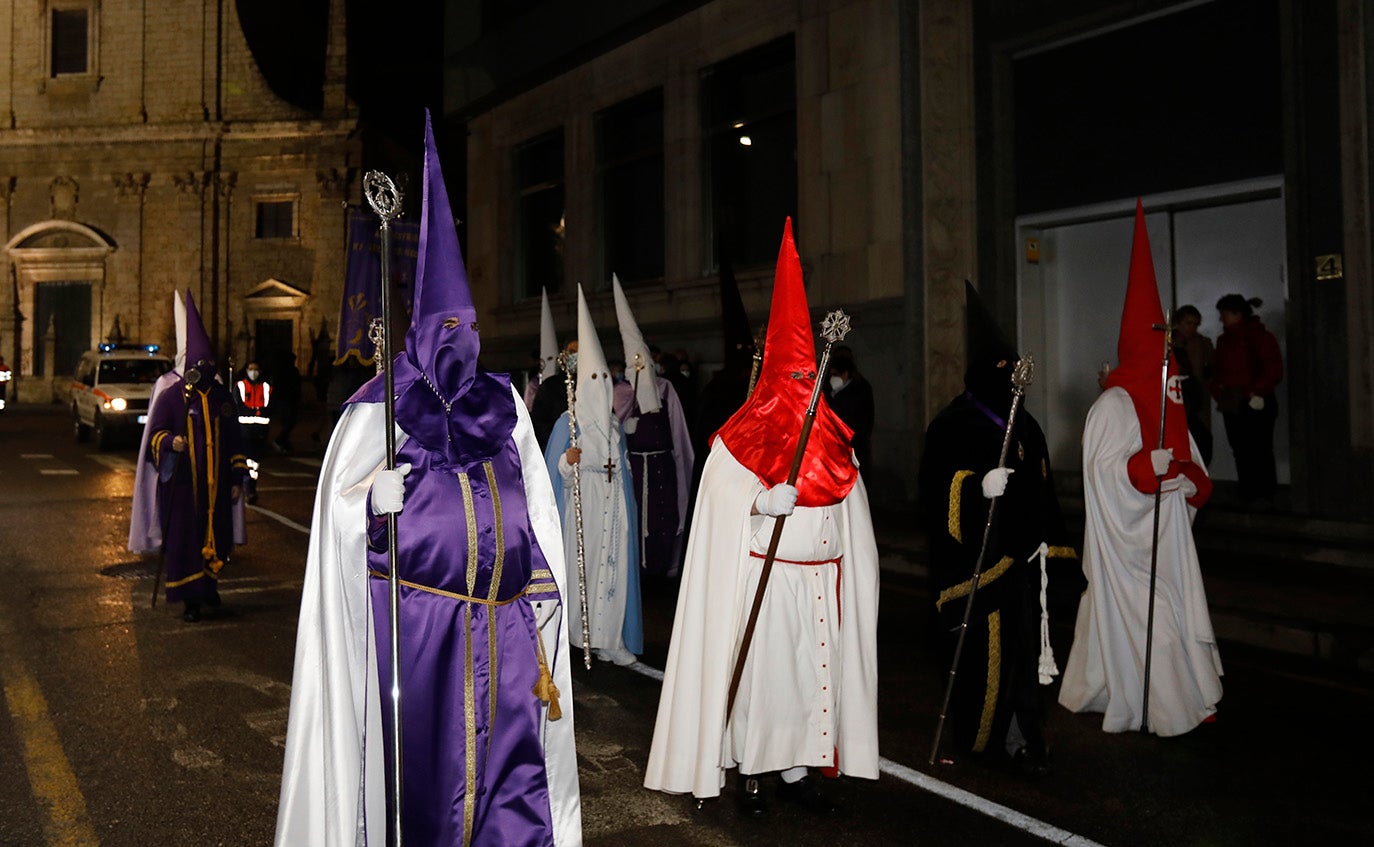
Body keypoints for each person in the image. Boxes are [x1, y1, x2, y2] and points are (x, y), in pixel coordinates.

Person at [275, 112, 581, 846]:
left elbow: (536, 509)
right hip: (419, 633)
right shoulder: (377, 410)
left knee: (511, 798)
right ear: (418, 330)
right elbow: (337, 517)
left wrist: (542, 597)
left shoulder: (502, 405)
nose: (462, 340)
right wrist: (365, 503)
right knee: (427, 797)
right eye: (447, 327)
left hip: (505, 636)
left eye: (469, 326)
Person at [644, 219, 879, 817]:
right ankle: (751, 770)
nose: (803, 385)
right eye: (793, 374)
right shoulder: (743, 432)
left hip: (819, 578)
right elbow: (717, 500)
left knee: (809, 681)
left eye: (809, 375)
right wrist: (758, 502)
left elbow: (852, 500)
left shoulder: (832, 431)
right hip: (767, 579)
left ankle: (797, 772)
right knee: (766, 681)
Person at [1059, 200, 1222, 737]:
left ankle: (1112, 685)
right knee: (1152, 613)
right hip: (1128, 540)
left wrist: (1190, 481)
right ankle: (1170, 705)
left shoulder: (1168, 395)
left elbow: (1191, 457)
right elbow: (1102, 472)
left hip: (1167, 529)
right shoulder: (1113, 404)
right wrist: (1141, 470)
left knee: (1161, 608)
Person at [918, 282, 1076, 774]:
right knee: (986, 662)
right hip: (978, 568)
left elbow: (1044, 490)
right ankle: (987, 740)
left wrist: (1055, 550)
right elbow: (936, 489)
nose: (1009, 378)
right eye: (1001, 368)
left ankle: (1024, 738)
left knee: (1021, 661)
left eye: (1014, 369)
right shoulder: (953, 425)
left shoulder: (1026, 426)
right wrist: (974, 489)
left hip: (1021, 565)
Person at [543, 285, 643, 667]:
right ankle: (577, 634)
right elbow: (554, 482)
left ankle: (611, 639)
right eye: (594, 378)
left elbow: (624, 474)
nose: (601, 385)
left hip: (613, 514)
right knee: (584, 573)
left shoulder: (615, 428)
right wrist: (567, 464)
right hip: (582, 513)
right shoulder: (569, 424)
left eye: (606, 378)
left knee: (613, 572)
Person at [144, 291, 247, 623]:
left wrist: (236, 478)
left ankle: (208, 588)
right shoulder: (172, 397)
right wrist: (170, 442)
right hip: (184, 487)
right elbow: (155, 435)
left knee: (215, 535)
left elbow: (234, 440)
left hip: (215, 487)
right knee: (186, 540)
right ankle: (189, 599)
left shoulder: (221, 398)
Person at [611, 274, 694, 579]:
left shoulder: (665, 388)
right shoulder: (621, 392)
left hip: (661, 467)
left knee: (662, 517)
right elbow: (611, 428)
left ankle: (662, 566)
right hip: (635, 468)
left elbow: (678, 431)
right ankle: (638, 570)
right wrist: (623, 431)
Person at [1210, 293, 1283, 510]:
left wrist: (1254, 391)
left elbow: (1273, 369)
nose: (1221, 319)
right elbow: (1219, 371)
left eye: (1224, 314)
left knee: (1259, 448)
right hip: (1234, 400)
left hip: (1255, 400)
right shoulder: (1225, 340)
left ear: (1237, 314)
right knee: (1241, 448)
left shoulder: (1259, 337)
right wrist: (1218, 391)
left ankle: (1263, 494)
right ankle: (1249, 492)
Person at [1172, 305, 1215, 466]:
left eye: (1195, 324)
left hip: (1197, 398)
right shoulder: (1168, 343)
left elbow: (1210, 370)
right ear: (1178, 323)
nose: (1191, 328)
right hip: (1176, 396)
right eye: (1188, 323)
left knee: (1202, 441)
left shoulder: (1202, 343)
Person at [824, 346, 874, 480]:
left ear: (845, 373)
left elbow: (863, 426)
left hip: (853, 453)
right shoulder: (826, 389)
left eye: (836, 374)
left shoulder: (861, 391)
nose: (832, 378)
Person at [235, 360, 272, 504]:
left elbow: (269, 406)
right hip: (244, 430)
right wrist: (255, 411)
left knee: (255, 463)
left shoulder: (266, 387)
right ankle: (248, 488)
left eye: (255, 369)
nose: (253, 372)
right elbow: (238, 406)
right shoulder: (240, 386)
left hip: (260, 431)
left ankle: (250, 487)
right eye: (250, 369)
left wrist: (258, 412)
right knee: (246, 460)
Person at [272, 351, 302, 454]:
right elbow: (296, 386)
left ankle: (285, 444)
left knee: (287, 423)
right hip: (288, 400)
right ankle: (279, 440)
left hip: (284, 400)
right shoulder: (291, 371)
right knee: (289, 423)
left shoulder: (281, 371)